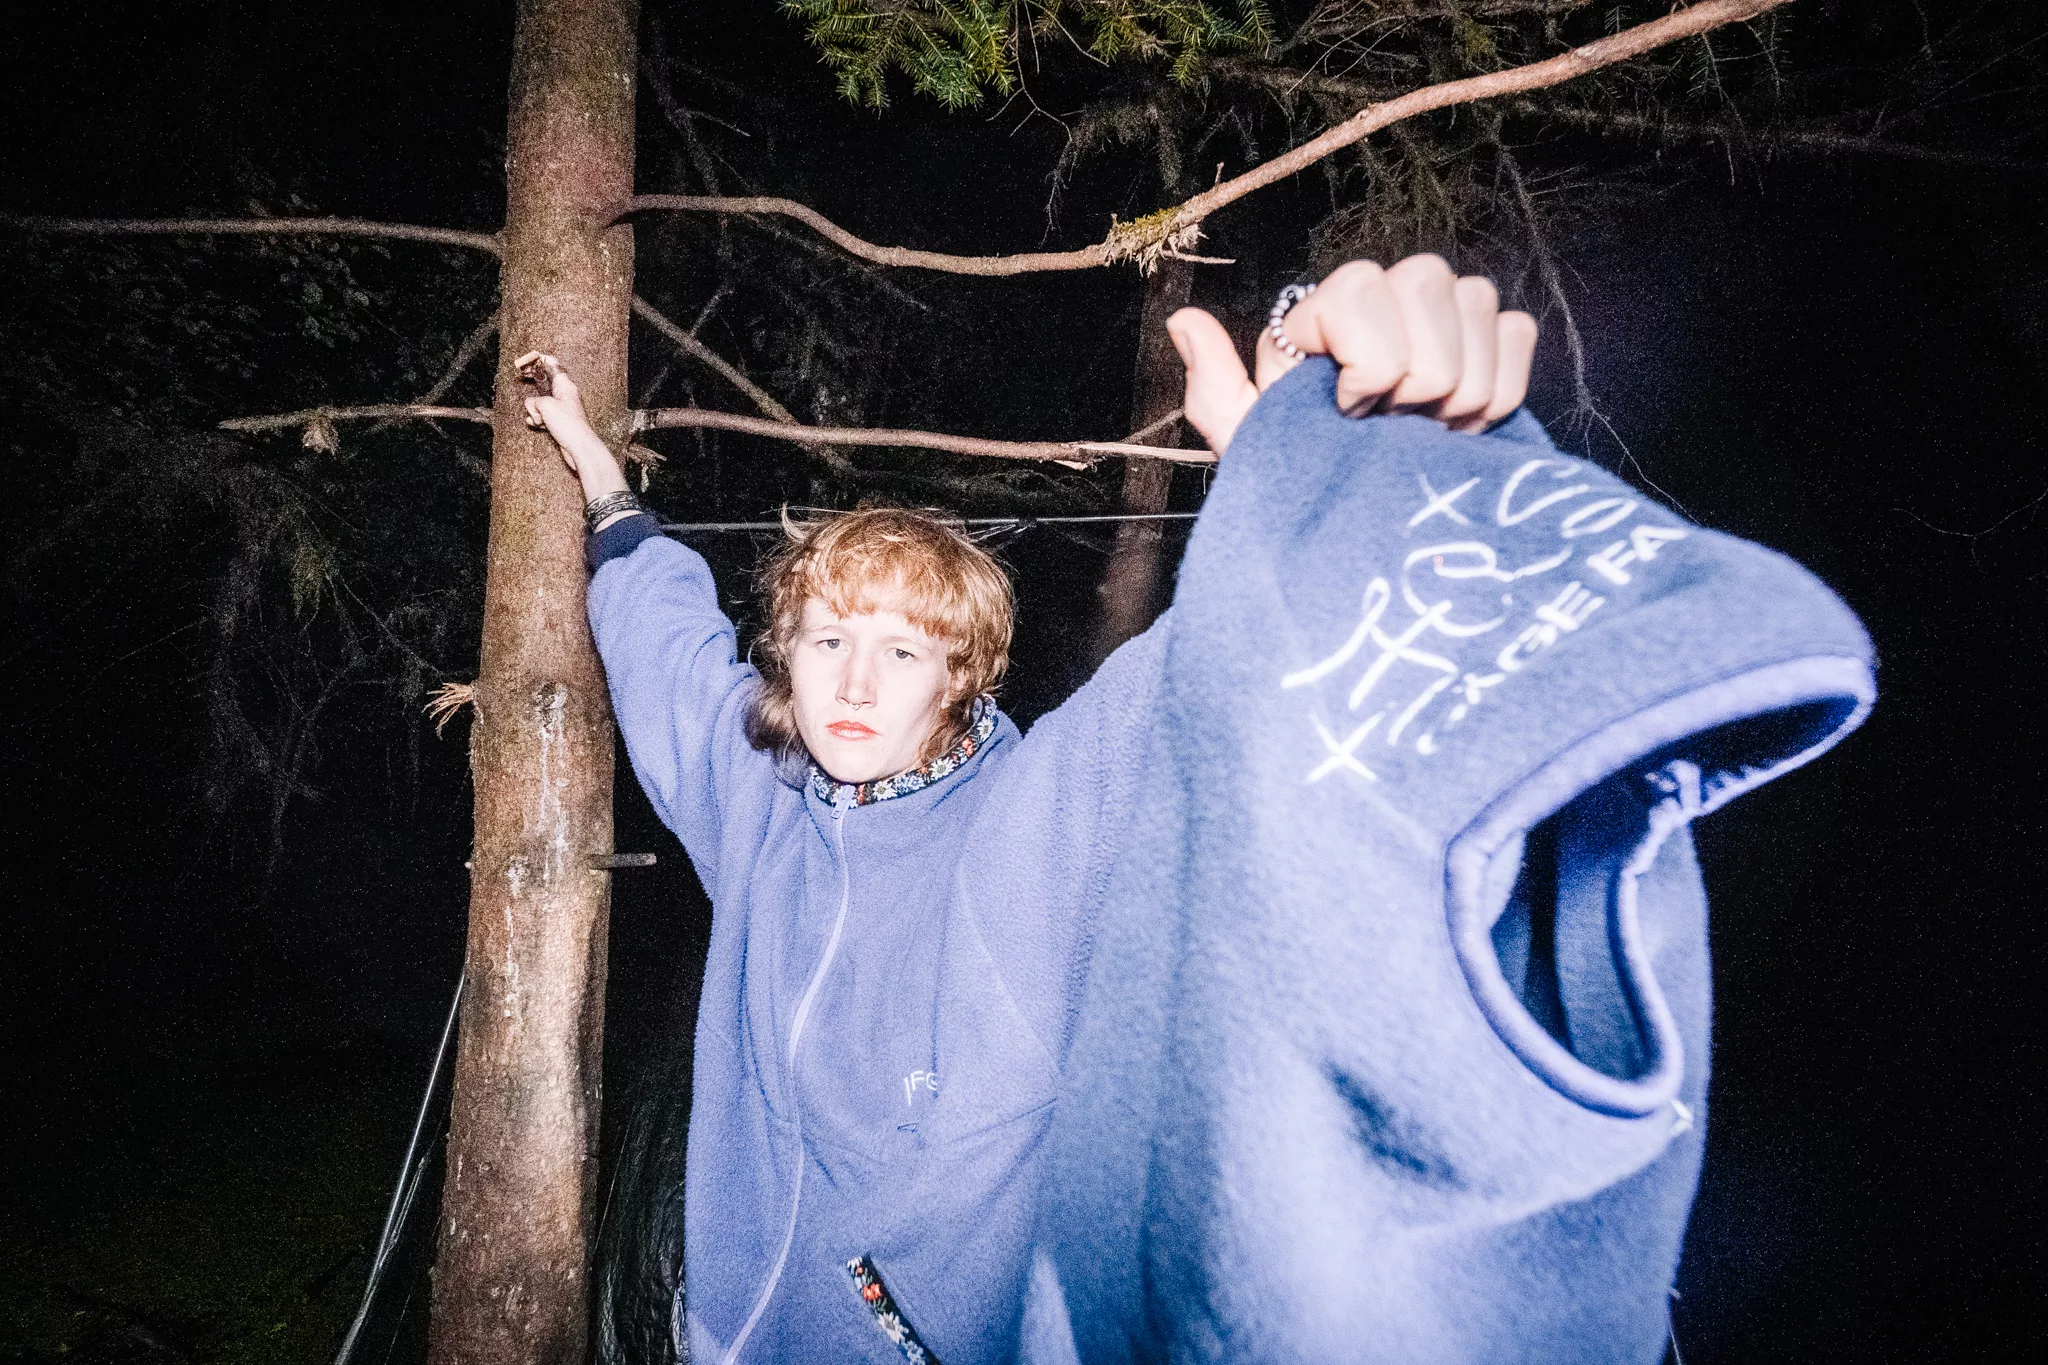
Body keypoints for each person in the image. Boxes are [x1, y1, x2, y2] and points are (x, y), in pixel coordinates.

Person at [519, 251, 1869, 1365]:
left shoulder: (1031, 822)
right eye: (828, 642)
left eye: (903, 650)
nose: (856, 681)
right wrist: (600, 473)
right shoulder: (756, 803)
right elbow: (665, 642)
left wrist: (1315, 454)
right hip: (728, 1335)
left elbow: (1221, 676)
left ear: (960, 676)